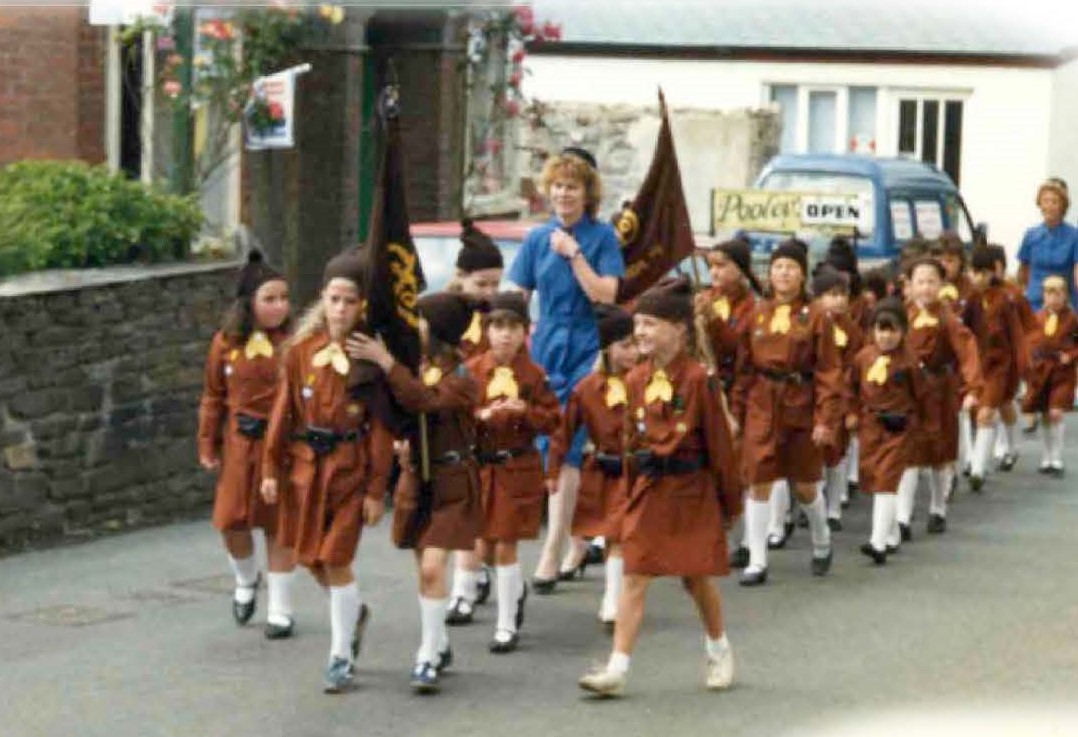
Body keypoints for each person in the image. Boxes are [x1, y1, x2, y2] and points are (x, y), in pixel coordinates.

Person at [577, 277, 741, 698]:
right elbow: (631, 442)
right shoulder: (634, 380)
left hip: (691, 490)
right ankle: (617, 668)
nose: (642, 333)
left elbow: (721, 448)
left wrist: (729, 503)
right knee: (634, 576)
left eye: (651, 324)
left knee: (696, 581)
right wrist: (629, 492)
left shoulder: (700, 380)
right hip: (649, 489)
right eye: (639, 324)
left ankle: (719, 648)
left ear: (679, 328)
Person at [260, 250, 394, 693]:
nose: (340, 309)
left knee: (337, 558)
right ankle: (354, 612)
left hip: (349, 473)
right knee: (309, 559)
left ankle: (340, 656)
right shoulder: (300, 352)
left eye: (349, 301)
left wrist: (377, 491)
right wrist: (270, 469)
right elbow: (284, 413)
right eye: (334, 299)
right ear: (323, 299)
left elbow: (378, 431)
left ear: (362, 307)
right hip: (305, 470)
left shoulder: (370, 359)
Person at [348, 292, 485, 694]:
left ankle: (426, 654)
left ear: (438, 331)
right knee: (422, 566)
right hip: (417, 479)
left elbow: (424, 402)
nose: (413, 329)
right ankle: (439, 641)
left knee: (432, 568)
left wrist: (386, 362)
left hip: (451, 482)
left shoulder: (461, 377)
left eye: (420, 322)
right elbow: (401, 408)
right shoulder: (417, 367)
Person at [507, 147, 625, 593]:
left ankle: (552, 550)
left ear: (586, 193)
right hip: (546, 343)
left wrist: (575, 255)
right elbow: (516, 295)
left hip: (586, 345)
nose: (563, 194)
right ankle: (576, 537)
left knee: (569, 445)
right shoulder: (537, 239)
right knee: (544, 444)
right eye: (557, 186)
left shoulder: (601, 238)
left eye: (572, 187)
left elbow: (607, 295)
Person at [731, 239, 844, 586]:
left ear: (802, 274)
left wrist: (825, 419)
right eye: (778, 266)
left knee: (805, 485)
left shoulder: (817, 317)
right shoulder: (756, 312)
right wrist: (736, 410)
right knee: (758, 477)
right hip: (762, 402)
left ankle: (822, 539)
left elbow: (829, 372)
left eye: (791, 267)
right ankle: (757, 559)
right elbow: (744, 367)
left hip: (800, 402)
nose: (783, 273)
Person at [197, 250, 297, 637]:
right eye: (269, 299)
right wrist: (207, 443)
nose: (279, 306)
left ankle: (281, 608)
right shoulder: (225, 343)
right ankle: (245, 579)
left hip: (283, 444)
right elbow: (212, 396)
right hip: (239, 443)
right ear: (249, 303)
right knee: (231, 520)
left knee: (278, 524)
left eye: (283, 298)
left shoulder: (294, 342)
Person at [467, 292, 561, 653]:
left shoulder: (534, 376)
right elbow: (457, 416)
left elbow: (554, 420)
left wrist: (526, 412)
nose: (505, 335)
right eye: (498, 327)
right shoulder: (474, 371)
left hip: (516, 467)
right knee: (485, 547)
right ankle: (515, 589)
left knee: (506, 544)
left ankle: (506, 625)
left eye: (514, 328)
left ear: (525, 332)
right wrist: (479, 417)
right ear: (487, 331)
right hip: (482, 468)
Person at [548, 304, 638, 631]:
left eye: (636, 343)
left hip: (640, 470)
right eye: (625, 345)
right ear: (607, 349)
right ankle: (614, 599)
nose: (634, 352)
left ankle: (615, 600)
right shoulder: (587, 387)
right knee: (615, 534)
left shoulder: (649, 381)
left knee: (621, 536)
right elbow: (564, 430)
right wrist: (553, 470)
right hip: (603, 470)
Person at [443, 220, 504, 626]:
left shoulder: (499, 321)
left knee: (481, 511)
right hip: (450, 420)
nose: (489, 294)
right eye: (482, 284)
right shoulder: (442, 314)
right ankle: (467, 583)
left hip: (489, 421)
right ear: (461, 277)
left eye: (495, 284)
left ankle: (474, 581)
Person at [899, 258, 982, 537]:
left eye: (931, 281)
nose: (925, 287)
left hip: (940, 389)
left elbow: (967, 350)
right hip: (909, 391)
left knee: (938, 452)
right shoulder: (902, 315)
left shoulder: (948, 317)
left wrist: (972, 388)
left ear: (941, 285)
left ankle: (937, 508)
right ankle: (902, 517)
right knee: (909, 453)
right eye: (919, 281)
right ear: (909, 286)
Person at [694, 236, 760, 568]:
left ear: (741, 269)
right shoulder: (704, 298)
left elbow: (738, 348)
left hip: (741, 389)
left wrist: (715, 323)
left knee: (736, 465)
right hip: (707, 389)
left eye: (723, 265)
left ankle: (745, 538)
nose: (716, 272)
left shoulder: (753, 307)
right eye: (712, 265)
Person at [849, 298, 925, 564]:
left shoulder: (909, 362)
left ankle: (877, 542)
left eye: (892, 330)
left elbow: (921, 396)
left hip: (899, 427)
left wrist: (919, 426)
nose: (886, 336)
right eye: (881, 329)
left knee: (886, 481)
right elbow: (852, 389)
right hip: (871, 426)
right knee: (873, 480)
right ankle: (892, 533)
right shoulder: (863, 357)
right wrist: (851, 414)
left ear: (903, 331)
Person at [966, 247, 1029, 486]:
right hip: (979, 365)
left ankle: (978, 470)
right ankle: (1013, 446)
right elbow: (962, 330)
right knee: (1002, 406)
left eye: (984, 272)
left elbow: (1018, 334)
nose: (979, 277)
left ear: (994, 272)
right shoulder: (971, 299)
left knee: (986, 413)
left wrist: (1023, 364)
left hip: (1002, 365)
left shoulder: (1006, 300)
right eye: (975, 272)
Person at [811, 264, 864, 531]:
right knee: (813, 455)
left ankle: (833, 508)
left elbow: (856, 367)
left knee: (837, 453)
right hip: (815, 397)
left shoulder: (851, 329)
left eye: (843, 294)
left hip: (841, 398)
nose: (839, 300)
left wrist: (851, 403)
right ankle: (812, 503)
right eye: (832, 294)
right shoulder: (811, 323)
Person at [1022, 275, 1078, 475]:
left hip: (1062, 372)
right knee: (1045, 413)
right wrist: (1030, 362)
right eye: (1048, 293)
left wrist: (1071, 355)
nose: (1053, 298)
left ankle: (1057, 457)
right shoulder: (1038, 317)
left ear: (1065, 296)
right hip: (1042, 370)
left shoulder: (1072, 319)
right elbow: (1029, 342)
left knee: (1056, 412)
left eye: (1058, 294)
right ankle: (1046, 456)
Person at [1018, 178, 1078, 311]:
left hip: (1064, 304)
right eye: (1045, 201)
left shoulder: (1074, 236)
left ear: (1063, 206)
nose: (1049, 206)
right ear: (1039, 204)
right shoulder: (1031, 235)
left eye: (1054, 202)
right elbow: (1023, 271)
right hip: (1035, 303)